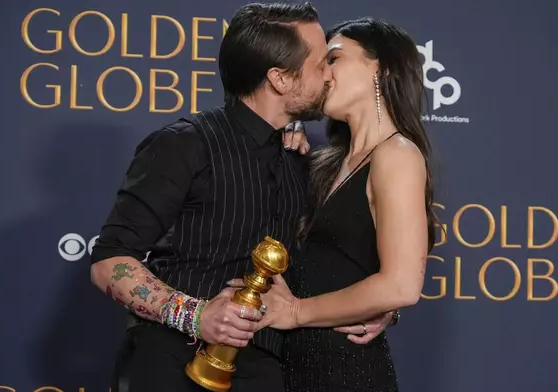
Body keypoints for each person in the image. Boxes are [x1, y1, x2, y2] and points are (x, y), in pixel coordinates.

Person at [88, 3, 327, 392]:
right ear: (280, 79)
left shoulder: (300, 159)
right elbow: (109, 261)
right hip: (172, 364)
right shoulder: (184, 144)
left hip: (269, 370)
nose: (330, 76)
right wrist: (196, 315)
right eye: (321, 65)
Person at [232, 18, 438, 391]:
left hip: (345, 370)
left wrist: (296, 311)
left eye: (335, 58)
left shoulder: (397, 154)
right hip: (288, 365)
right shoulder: (321, 161)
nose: (323, 73)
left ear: (380, 68)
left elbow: (402, 285)